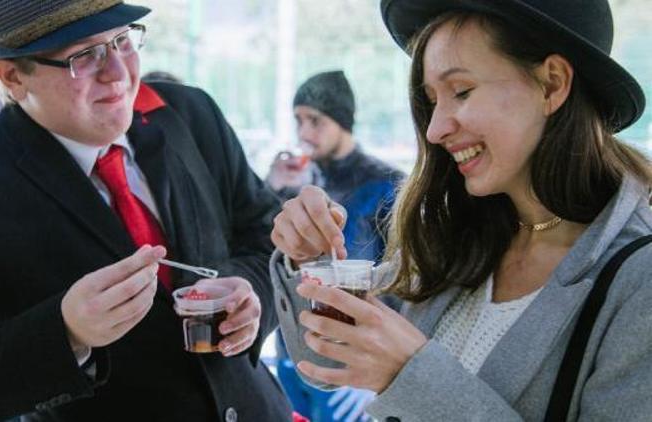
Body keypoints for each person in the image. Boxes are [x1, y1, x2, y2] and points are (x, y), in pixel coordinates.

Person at [0, 1, 291, 421]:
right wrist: (65, 332)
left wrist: (251, 297)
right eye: (83, 56)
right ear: (11, 76)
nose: (119, 74)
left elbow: (265, 236)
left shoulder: (188, 114)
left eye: (122, 40)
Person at [270, 0, 652, 421]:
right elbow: (328, 361)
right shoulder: (462, 236)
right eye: (432, 100)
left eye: (462, 91)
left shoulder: (638, 279)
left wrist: (412, 376)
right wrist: (309, 256)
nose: (435, 129)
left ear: (552, 84)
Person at [266, 70, 404, 422]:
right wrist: (274, 190)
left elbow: (402, 284)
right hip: (294, 350)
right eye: (298, 120)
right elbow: (277, 259)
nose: (303, 133)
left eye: (315, 120)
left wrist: (380, 373)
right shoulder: (299, 180)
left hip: (351, 361)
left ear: (342, 121)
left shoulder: (387, 183)